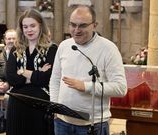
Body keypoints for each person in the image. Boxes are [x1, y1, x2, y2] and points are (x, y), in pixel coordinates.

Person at [49, 5, 127, 135]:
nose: (76, 30)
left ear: (94, 25)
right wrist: (55, 107)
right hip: (62, 123)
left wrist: (86, 86)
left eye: (82, 26)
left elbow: (120, 88)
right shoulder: (64, 46)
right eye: (73, 25)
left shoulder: (108, 49)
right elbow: (55, 80)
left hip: (92, 125)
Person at [6, 9, 58, 135]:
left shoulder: (52, 49)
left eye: (32, 26)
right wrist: (36, 73)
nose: (29, 30)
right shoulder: (15, 49)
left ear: (40, 25)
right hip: (17, 100)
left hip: (40, 101)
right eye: (25, 26)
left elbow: (46, 78)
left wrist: (21, 71)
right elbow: (11, 78)